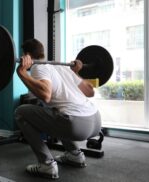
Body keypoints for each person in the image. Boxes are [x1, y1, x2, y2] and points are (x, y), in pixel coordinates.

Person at [15, 39, 102, 179]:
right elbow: (90, 92)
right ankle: (75, 155)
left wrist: (22, 72)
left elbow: (46, 95)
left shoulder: (39, 66)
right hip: (96, 120)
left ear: (27, 55)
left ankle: (47, 164)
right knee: (58, 111)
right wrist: (76, 73)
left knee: (20, 112)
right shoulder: (61, 67)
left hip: (77, 124)